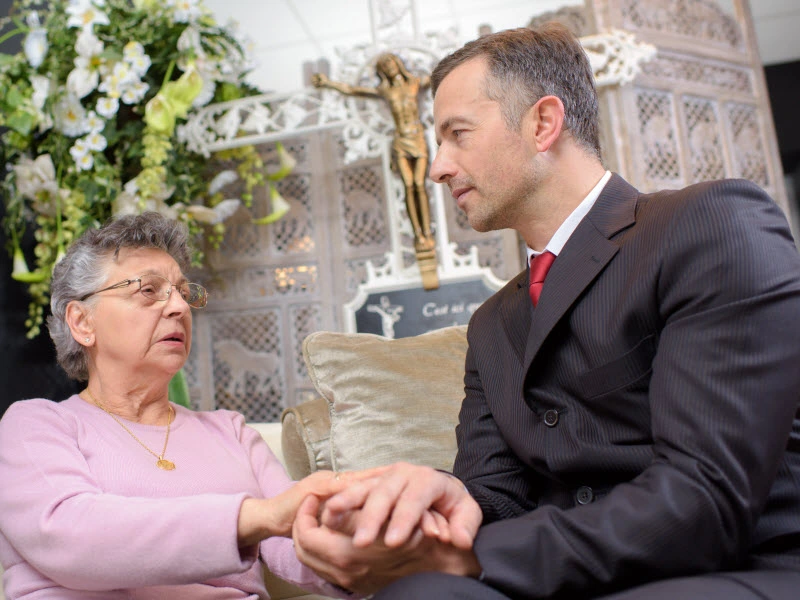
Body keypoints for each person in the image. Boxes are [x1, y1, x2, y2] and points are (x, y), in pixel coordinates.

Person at [291, 23, 800, 600]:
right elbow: (495, 493)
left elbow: (706, 495)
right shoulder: (491, 324)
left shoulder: (711, 224)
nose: (437, 168)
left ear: (543, 123)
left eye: (458, 134)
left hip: (733, 567)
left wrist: (465, 559)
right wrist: (418, 514)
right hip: (563, 573)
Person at [0, 212, 377, 599]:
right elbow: (70, 537)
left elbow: (296, 542)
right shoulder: (34, 426)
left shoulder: (230, 430)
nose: (179, 307)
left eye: (184, 292)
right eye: (148, 290)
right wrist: (253, 518)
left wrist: (366, 539)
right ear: (82, 322)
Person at [312, 53, 438, 288]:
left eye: (391, 63)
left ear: (399, 64)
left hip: (417, 137)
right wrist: (328, 83)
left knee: (420, 185)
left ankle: (426, 234)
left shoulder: (415, 83)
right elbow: (351, 89)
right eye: (384, 66)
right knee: (408, 186)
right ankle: (418, 234)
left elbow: (442, 75)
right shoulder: (384, 91)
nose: (389, 68)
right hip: (400, 141)